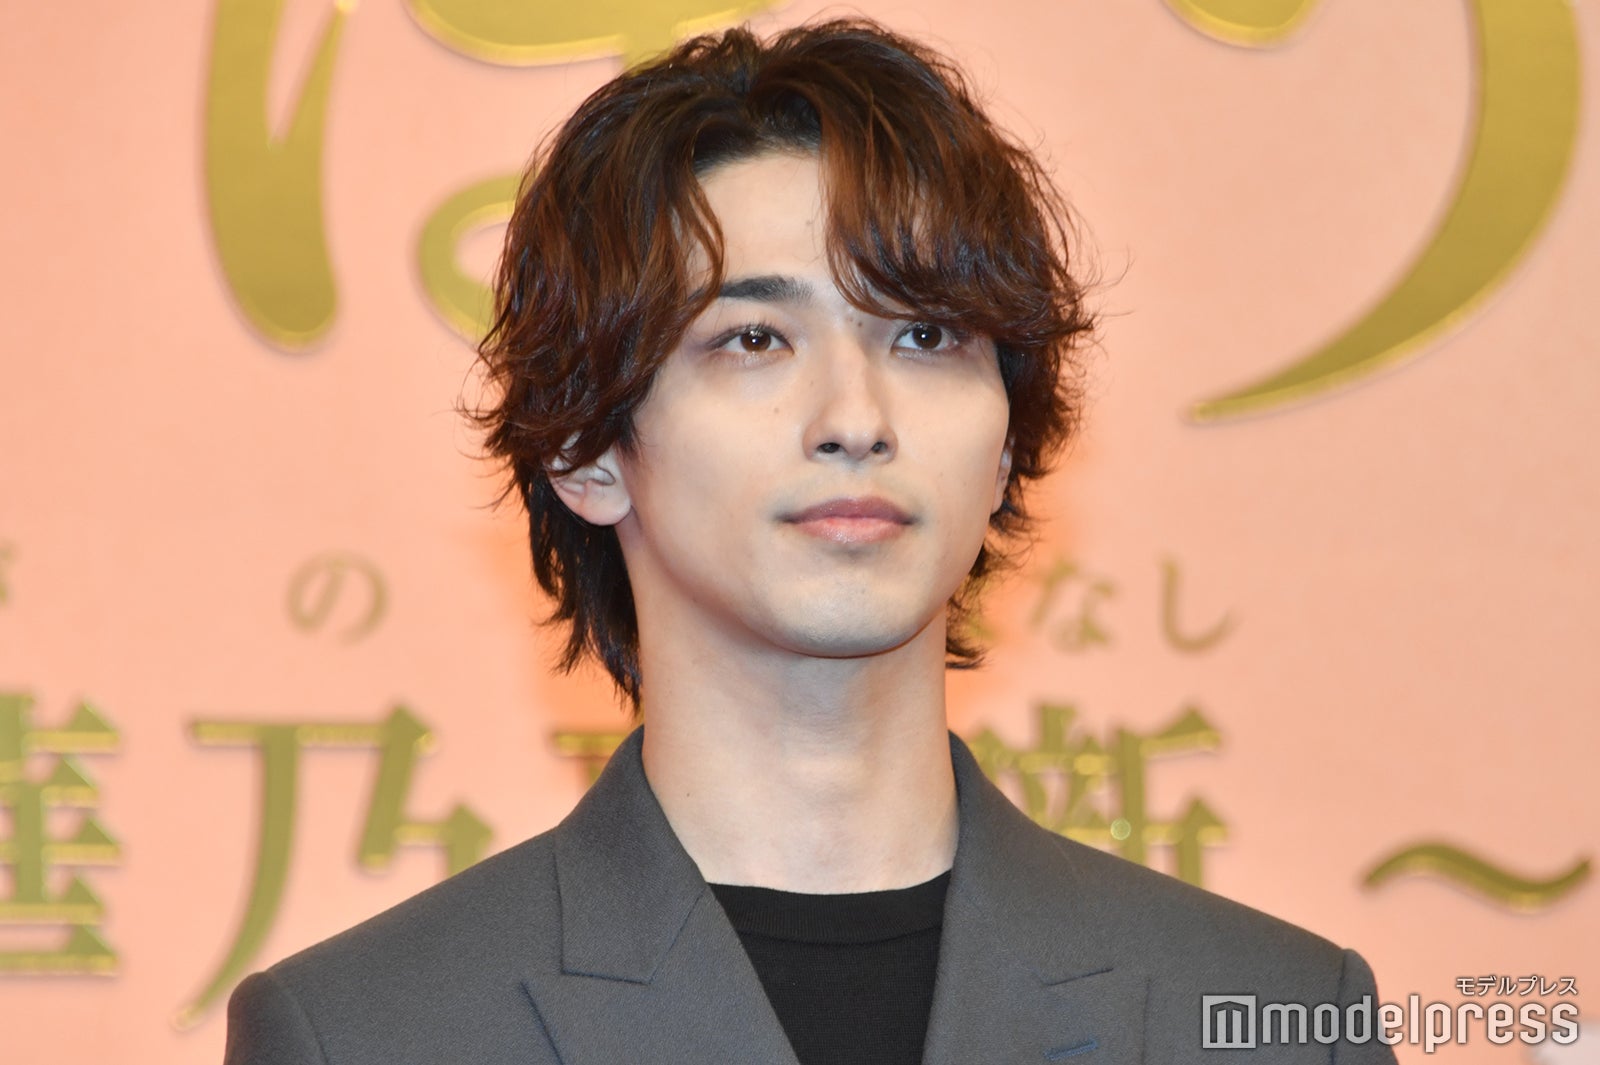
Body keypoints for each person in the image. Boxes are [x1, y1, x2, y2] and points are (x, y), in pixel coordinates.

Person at [224, 19, 1396, 1064]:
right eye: (752, 340)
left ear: (1003, 447)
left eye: (926, 336)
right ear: (587, 449)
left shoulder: (1277, 1015)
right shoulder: (367, 1031)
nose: (854, 419)